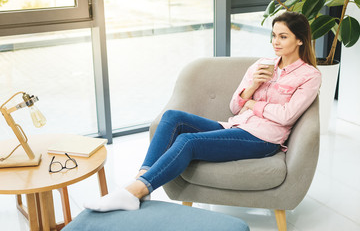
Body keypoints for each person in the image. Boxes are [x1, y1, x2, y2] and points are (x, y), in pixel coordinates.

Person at [84, 11, 321, 212]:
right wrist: (253, 87)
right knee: (172, 118)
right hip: (237, 126)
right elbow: (234, 106)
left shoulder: (310, 76)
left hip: (264, 139)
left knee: (189, 141)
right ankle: (139, 184)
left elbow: (286, 116)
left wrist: (253, 105)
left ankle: (134, 191)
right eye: (273, 35)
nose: (275, 42)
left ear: (300, 40)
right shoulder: (262, 65)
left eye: (283, 36)